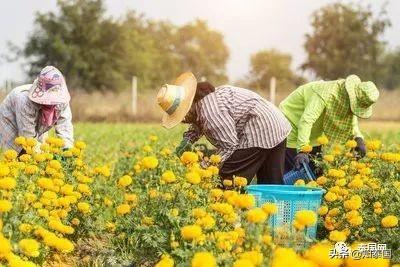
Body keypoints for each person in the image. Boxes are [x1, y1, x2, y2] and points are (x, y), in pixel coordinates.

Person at [157, 72, 292, 185]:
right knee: (271, 183)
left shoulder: (210, 113)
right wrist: (188, 139)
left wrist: (206, 168)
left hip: (260, 129)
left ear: (188, 105)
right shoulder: (203, 100)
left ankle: (230, 214)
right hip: (277, 125)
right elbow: (198, 121)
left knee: (228, 180)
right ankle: (272, 215)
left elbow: (229, 146)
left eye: (181, 115)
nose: (183, 120)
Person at [279, 74, 379, 173]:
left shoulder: (346, 100)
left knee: (316, 175)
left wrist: (358, 138)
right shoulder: (325, 93)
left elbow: (352, 121)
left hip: (311, 137)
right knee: (294, 175)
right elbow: (306, 120)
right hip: (290, 128)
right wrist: (302, 150)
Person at [0, 66, 74, 155]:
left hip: (38, 123)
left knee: (41, 149)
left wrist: (67, 152)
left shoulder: (62, 101)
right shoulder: (24, 100)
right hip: (10, 120)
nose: (50, 102)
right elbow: (27, 135)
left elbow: (64, 126)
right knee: (17, 153)